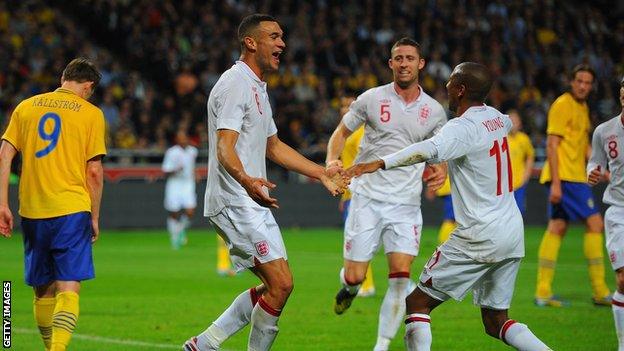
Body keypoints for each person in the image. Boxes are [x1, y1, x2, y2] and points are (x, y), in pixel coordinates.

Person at [348, 62, 551, 351]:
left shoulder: (462, 128)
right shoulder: (496, 118)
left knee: (417, 302)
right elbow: (505, 121)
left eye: (451, 82)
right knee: (496, 322)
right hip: (511, 231)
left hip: (479, 234)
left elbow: (427, 149)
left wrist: (379, 162)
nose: (445, 87)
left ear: (461, 89)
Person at [183, 14, 347, 351]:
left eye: (282, 37)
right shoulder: (234, 84)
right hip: (234, 198)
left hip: (250, 198)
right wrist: (245, 180)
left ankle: (205, 344)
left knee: (279, 286)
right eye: (274, 37)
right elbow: (224, 146)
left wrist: (320, 173)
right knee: (281, 283)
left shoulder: (256, 86)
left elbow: (273, 146)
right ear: (251, 42)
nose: (282, 44)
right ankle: (208, 344)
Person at [325, 37, 447, 351]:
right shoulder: (370, 99)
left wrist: (440, 169)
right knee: (355, 276)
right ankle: (348, 288)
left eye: (410, 58)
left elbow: (439, 151)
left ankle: (381, 345)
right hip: (366, 199)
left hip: (406, 204)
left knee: (400, 277)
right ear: (390, 63)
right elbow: (341, 133)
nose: (404, 63)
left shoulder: (434, 111)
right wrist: (331, 160)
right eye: (398, 58)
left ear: (420, 64)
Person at [0, 58, 105, 351]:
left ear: (63, 78)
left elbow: (4, 154)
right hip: (71, 208)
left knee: (43, 290)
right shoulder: (91, 113)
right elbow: (94, 172)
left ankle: (51, 348)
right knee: (68, 286)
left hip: (32, 210)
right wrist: (94, 217)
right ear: (88, 86)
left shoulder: (26, 107)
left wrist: (2, 204)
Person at [535, 64, 611, 307]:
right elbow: (552, 145)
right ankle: (600, 291)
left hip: (574, 175)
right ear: (571, 81)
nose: (583, 86)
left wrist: (602, 168)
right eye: (579, 80)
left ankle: (543, 292)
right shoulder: (562, 105)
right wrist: (556, 184)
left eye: (587, 82)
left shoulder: (583, 107)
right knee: (595, 224)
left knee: (557, 227)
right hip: (566, 177)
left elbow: (583, 146)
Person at [587, 76, 624, 350]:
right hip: (618, 210)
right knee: (623, 278)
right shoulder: (604, 131)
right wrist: (593, 172)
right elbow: (595, 162)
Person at [337, 94, 375, 297]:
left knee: (360, 240)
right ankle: (364, 282)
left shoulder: (362, 132)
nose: (345, 109)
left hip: (361, 192)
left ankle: (366, 285)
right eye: (343, 105)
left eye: (349, 106)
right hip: (350, 193)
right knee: (354, 240)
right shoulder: (345, 133)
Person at [162, 129, 197, 250]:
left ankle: (180, 230)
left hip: (188, 184)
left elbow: (192, 166)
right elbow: (165, 171)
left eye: (184, 137)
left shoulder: (193, 151)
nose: (183, 140)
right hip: (174, 184)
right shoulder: (171, 152)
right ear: (176, 139)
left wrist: (195, 174)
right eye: (180, 138)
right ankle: (174, 237)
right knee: (174, 212)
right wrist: (175, 169)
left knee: (190, 211)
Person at [507, 109, 535, 216]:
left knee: (518, 212)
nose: (513, 124)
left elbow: (530, 156)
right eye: (511, 121)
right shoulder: (501, 138)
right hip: (504, 185)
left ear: (520, 123)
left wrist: (527, 173)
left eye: (516, 121)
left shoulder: (524, 139)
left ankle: (516, 233)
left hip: (519, 183)